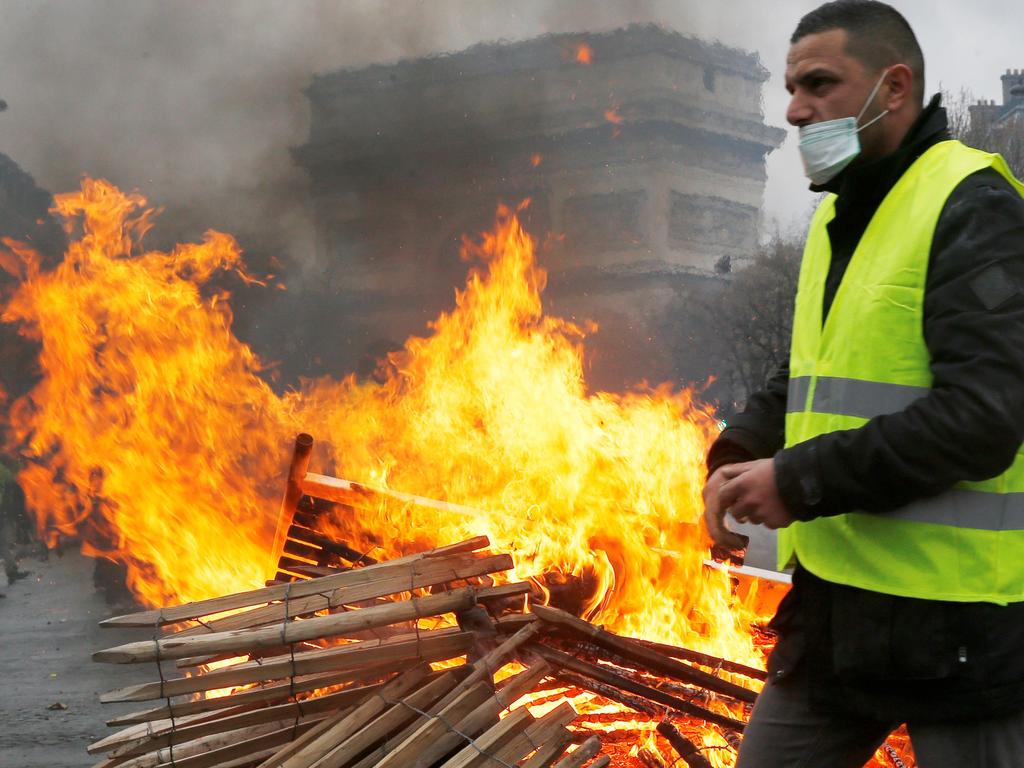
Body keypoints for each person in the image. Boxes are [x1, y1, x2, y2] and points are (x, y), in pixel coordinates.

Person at [701, 2, 1024, 766]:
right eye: (789, 86)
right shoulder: (839, 216)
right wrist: (739, 448)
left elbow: (986, 415)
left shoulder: (974, 205)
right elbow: (811, 368)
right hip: (838, 611)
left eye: (819, 83)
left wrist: (799, 479)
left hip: (961, 628)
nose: (794, 108)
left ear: (896, 86)